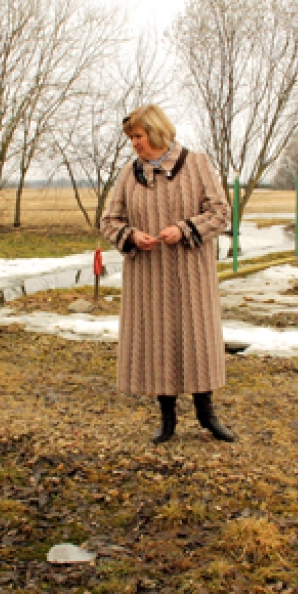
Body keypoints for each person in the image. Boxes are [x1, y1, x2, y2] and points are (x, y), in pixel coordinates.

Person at [100, 105, 236, 444]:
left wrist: (185, 228)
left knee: (197, 340)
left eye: (138, 136)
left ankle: (207, 414)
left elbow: (221, 213)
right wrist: (131, 236)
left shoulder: (197, 163)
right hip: (149, 277)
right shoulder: (129, 175)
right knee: (159, 343)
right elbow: (108, 220)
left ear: (157, 132)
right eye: (131, 138)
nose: (134, 144)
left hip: (192, 274)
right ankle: (167, 419)